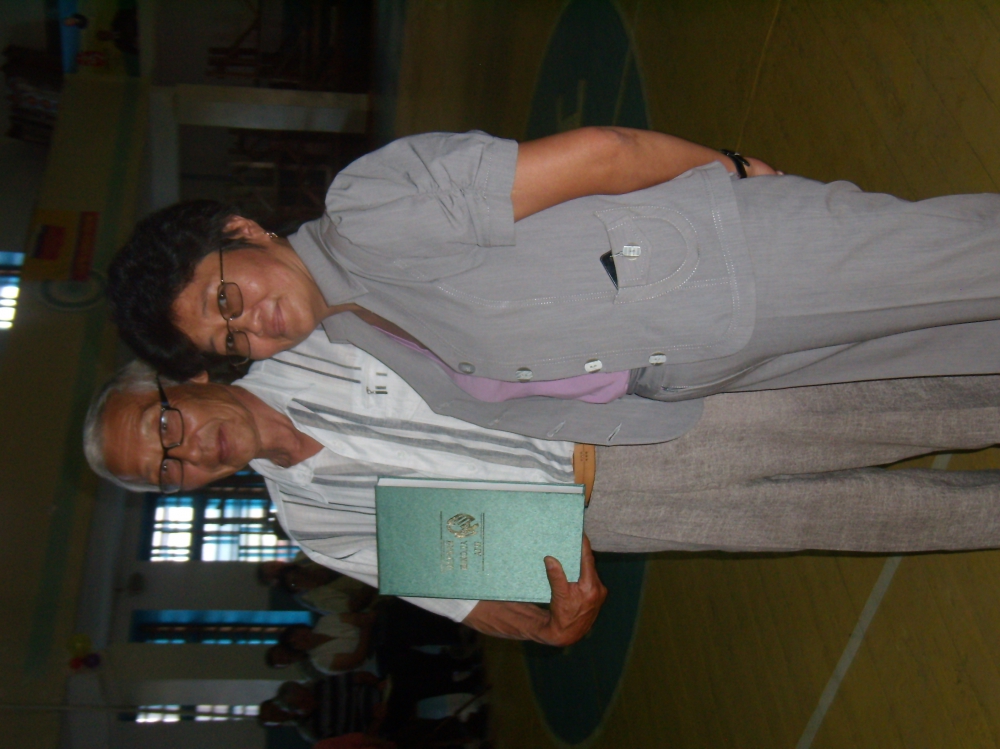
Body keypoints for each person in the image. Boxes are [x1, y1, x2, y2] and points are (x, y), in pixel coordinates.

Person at [107, 127, 1000, 446]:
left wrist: (727, 168)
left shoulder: (366, 213)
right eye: (233, 342)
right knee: (959, 342)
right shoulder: (356, 331)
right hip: (708, 352)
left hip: (737, 262)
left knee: (973, 263)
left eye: (228, 300)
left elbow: (602, 156)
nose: (255, 326)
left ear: (243, 232)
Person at [84, 336, 1000, 644]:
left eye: (163, 426)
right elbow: (479, 602)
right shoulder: (316, 525)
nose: (184, 452)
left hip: (636, 410)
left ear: (180, 381)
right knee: (866, 517)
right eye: (164, 472)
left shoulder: (309, 338)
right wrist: (555, 624)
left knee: (898, 409)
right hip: (624, 515)